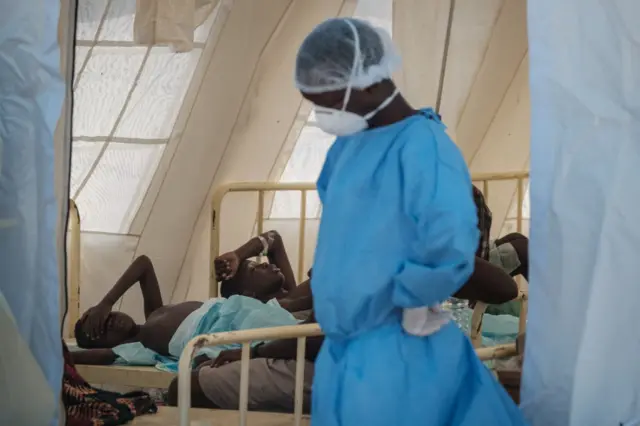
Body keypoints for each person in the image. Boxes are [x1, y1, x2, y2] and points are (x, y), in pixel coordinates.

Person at [292, 18, 525, 425]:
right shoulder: (345, 153)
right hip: (343, 353)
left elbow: (450, 245)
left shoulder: (424, 147)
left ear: (366, 82)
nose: (325, 114)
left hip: (402, 348)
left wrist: (406, 295)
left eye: (330, 101)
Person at [71, 231, 308, 366]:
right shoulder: (137, 347)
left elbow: (143, 263)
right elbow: (76, 357)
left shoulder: (155, 311)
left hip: (236, 312)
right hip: (227, 328)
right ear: (105, 345)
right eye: (102, 330)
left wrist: (106, 302)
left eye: (107, 317)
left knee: (293, 314)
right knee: (293, 324)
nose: (110, 321)